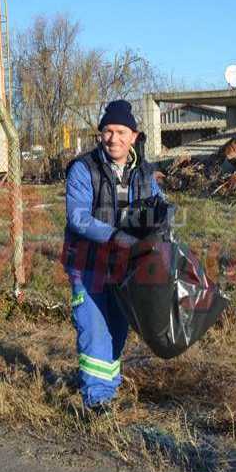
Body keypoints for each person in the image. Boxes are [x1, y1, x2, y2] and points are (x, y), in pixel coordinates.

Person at [63, 100, 162, 412]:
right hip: (88, 265)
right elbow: (78, 219)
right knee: (94, 328)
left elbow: (157, 208)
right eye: (108, 131)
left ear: (133, 136)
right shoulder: (83, 169)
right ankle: (97, 402)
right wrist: (118, 237)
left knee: (117, 331)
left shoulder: (145, 173)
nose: (113, 138)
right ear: (100, 134)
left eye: (121, 131)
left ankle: (107, 386)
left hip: (125, 269)